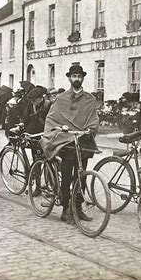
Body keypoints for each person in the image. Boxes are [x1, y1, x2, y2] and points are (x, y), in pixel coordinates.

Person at [40, 65, 98, 224]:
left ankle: (78, 208)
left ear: (83, 78)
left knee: (82, 177)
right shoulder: (61, 98)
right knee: (66, 178)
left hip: (83, 142)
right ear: (69, 78)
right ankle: (66, 210)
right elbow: (52, 118)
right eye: (74, 76)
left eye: (79, 76)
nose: (77, 79)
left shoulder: (90, 99)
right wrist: (57, 131)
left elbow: (93, 118)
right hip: (66, 142)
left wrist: (90, 129)